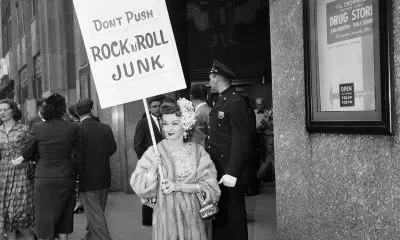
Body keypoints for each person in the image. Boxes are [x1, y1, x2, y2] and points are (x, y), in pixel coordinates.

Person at [130, 99, 220, 240]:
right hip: (166, 222)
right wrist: (153, 169)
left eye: (174, 124)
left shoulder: (198, 152)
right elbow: (141, 189)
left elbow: (211, 187)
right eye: (165, 123)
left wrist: (178, 186)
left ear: (185, 124)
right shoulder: (154, 152)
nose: (168, 129)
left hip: (194, 220)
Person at [22, 93, 82, 240]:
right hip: (65, 177)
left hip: (44, 178)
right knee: (65, 215)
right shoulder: (72, 128)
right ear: (63, 109)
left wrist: (39, 157)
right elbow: (78, 154)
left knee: (44, 217)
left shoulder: (37, 128)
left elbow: (26, 152)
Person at [206, 59, 252, 240]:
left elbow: (242, 139)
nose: (209, 81)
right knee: (221, 215)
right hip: (218, 169)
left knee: (234, 217)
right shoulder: (221, 100)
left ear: (217, 77)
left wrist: (232, 171)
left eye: (211, 77)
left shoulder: (235, 101)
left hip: (229, 171)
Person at [76, 99, 117, 240]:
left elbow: (76, 156)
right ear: (91, 110)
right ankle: (89, 236)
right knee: (97, 211)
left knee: (95, 213)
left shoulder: (76, 130)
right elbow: (113, 148)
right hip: (104, 176)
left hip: (86, 178)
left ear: (77, 113)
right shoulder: (105, 127)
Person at [0, 99, 35, 240]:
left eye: (5, 109)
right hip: (3, 175)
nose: (2, 112)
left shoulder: (24, 129)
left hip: (21, 174)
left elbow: (32, 150)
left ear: (12, 110)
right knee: (8, 218)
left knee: (20, 216)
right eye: (0, 110)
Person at [133, 95, 165, 226]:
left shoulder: (164, 120)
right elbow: (137, 145)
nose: (157, 109)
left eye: (159, 106)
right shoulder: (144, 123)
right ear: (149, 108)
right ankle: (148, 219)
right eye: (154, 107)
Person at [67, 105, 85, 214]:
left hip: (74, 158)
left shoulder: (73, 127)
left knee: (76, 182)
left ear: (72, 115)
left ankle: (78, 203)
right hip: (84, 158)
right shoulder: (83, 124)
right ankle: (80, 202)